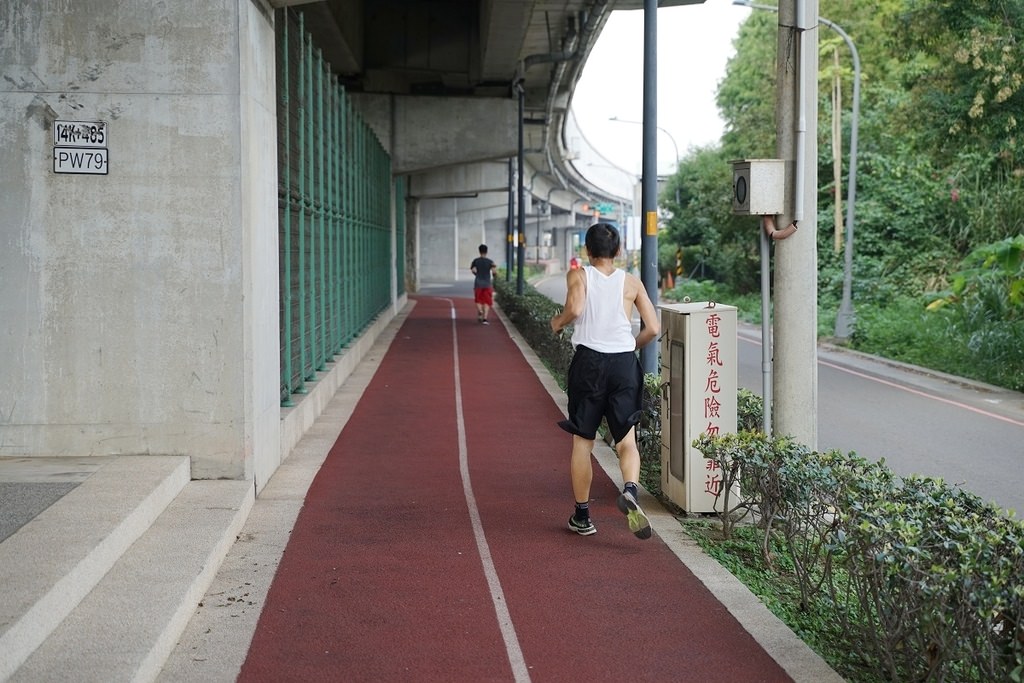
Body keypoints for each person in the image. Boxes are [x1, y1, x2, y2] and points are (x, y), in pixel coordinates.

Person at [550, 223, 660, 539]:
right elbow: (652, 328)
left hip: (589, 363)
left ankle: (582, 516)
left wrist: (556, 323)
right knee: (626, 439)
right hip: (624, 363)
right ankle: (629, 491)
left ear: (587, 250)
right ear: (618, 251)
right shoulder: (632, 283)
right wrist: (628, 349)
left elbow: (575, 307)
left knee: (583, 441)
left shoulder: (579, 275)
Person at [470, 244, 497, 324]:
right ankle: (485, 318)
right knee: (487, 301)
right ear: (486, 251)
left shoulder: (475, 261)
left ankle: (480, 311)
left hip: (478, 283)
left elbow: (473, 270)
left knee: (478, 300)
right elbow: (494, 272)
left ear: (479, 251)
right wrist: (495, 276)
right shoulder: (490, 262)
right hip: (487, 284)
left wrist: (477, 274)